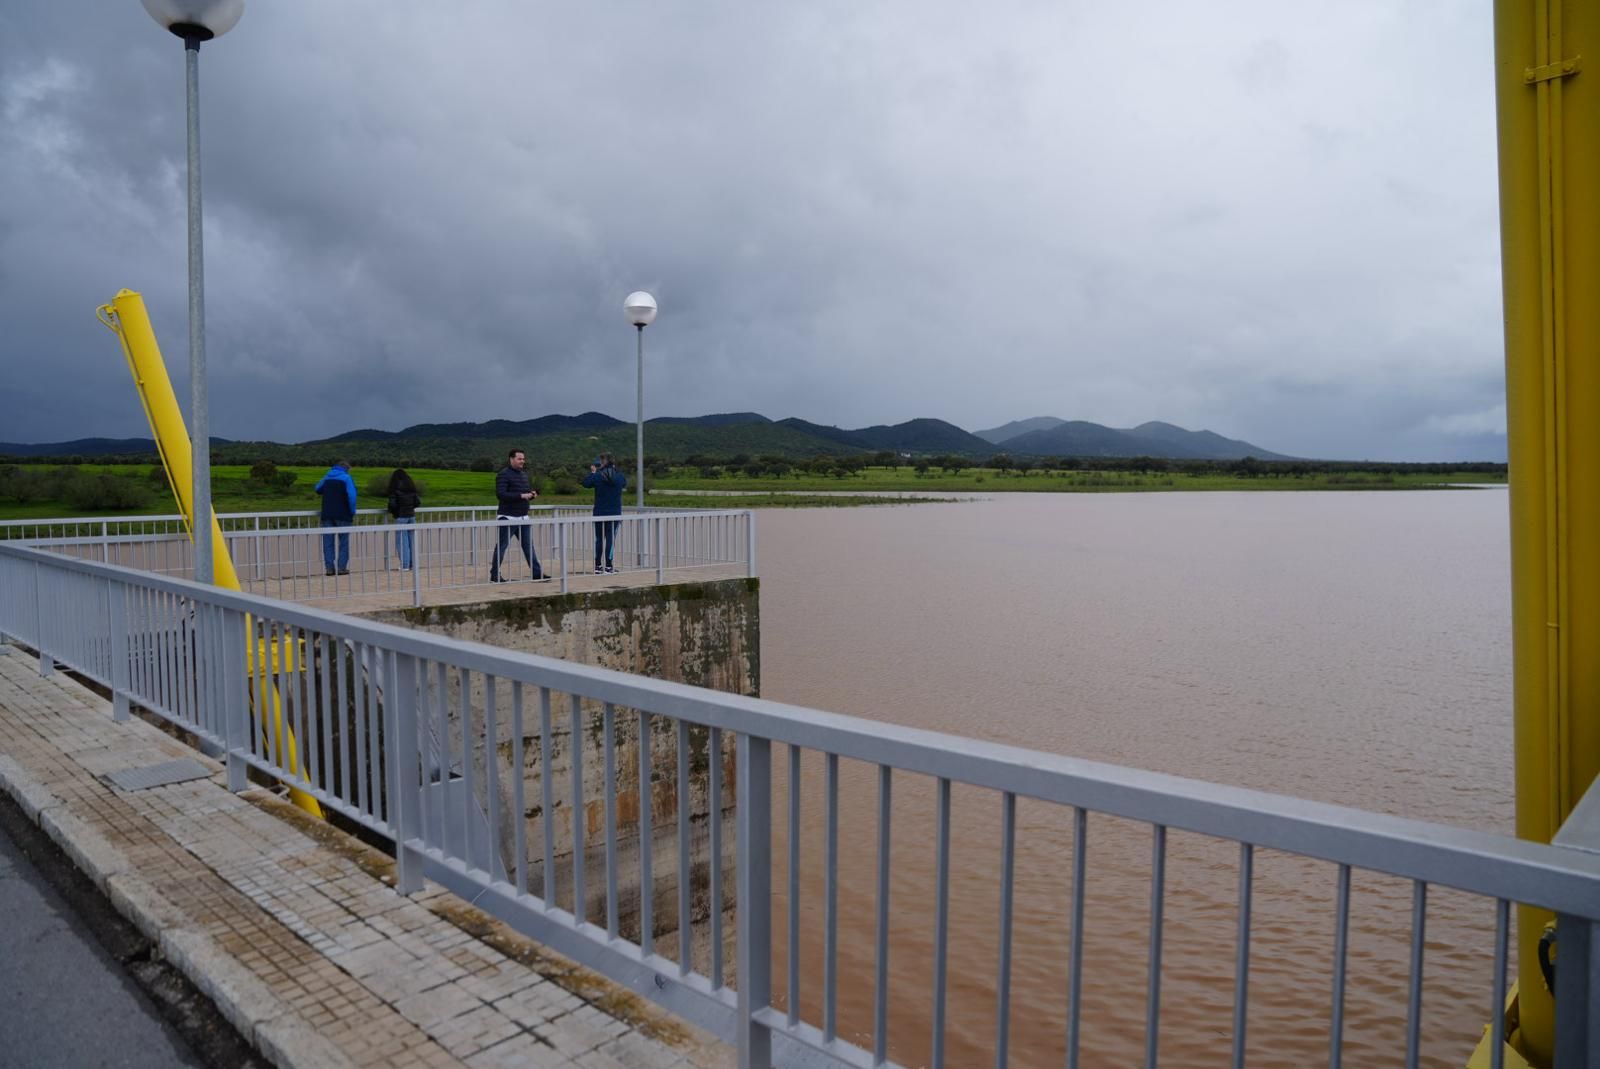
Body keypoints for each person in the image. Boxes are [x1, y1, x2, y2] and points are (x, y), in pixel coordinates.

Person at [490, 448, 548, 582]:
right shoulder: (503, 474)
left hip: (523, 516)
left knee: (529, 546)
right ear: (511, 459)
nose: (523, 461)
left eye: (523, 459)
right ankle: (494, 575)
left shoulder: (523, 474)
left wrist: (532, 495)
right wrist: (522, 495)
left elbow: (524, 495)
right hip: (508, 517)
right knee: (502, 546)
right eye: (519, 459)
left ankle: (537, 573)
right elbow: (501, 495)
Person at [582, 453, 627, 573]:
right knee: (610, 540)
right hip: (615, 513)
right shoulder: (619, 476)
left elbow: (585, 483)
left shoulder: (597, 476)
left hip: (599, 513)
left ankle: (597, 566)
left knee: (599, 539)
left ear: (602, 464)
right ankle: (608, 566)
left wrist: (593, 472)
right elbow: (624, 483)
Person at [313, 460, 357, 576]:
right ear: (346, 468)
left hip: (327, 514)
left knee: (328, 542)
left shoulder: (327, 476)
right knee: (343, 542)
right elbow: (352, 496)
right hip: (343, 515)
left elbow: (317, 489)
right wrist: (352, 511)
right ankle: (341, 568)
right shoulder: (346, 478)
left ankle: (329, 569)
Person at [386, 468, 421, 570]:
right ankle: (412, 564)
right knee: (412, 541)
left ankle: (405, 565)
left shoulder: (394, 488)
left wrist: (395, 512)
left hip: (401, 516)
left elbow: (392, 505)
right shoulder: (410, 487)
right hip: (412, 516)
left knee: (402, 541)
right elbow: (418, 502)